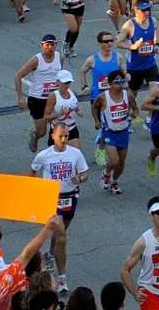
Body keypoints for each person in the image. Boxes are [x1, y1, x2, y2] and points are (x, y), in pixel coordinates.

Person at [32, 121, 91, 291]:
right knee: (61, 237)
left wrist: (79, 179)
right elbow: (32, 170)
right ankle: (62, 279)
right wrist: (36, 189)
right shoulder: (44, 155)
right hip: (52, 198)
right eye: (60, 136)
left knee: (61, 233)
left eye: (66, 136)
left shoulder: (75, 154)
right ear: (52, 136)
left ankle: (49, 254)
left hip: (70, 198)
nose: (64, 139)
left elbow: (85, 172)